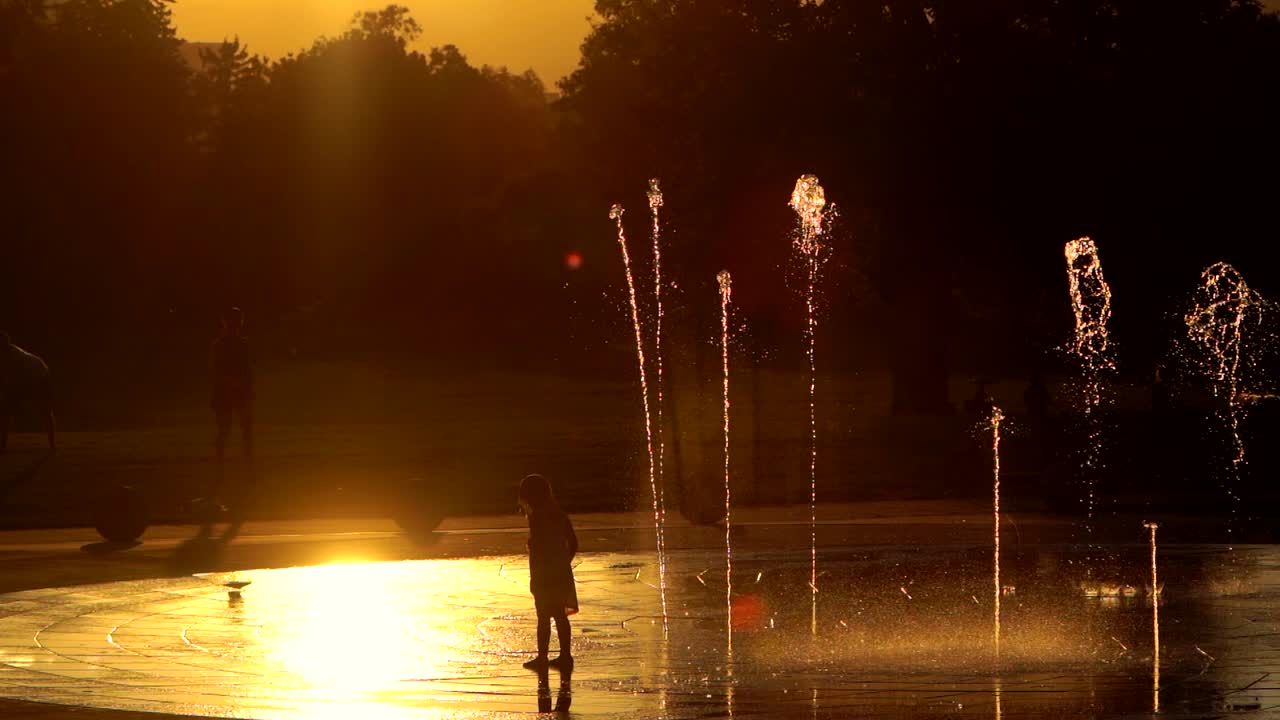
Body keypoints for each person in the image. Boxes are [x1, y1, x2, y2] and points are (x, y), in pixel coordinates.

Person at [518, 473, 578, 669]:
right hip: (560, 571)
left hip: (544, 573)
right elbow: (573, 542)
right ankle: (565, 655)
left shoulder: (537, 517)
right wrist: (563, 563)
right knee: (560, 615)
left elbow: (539, 548)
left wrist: (537, 576)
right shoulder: (560, 515)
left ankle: (542, 657)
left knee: (543, 616)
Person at [210, 308, 253, 507]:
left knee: (235, 430)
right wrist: (237, 384)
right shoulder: (225, 345)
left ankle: (234, 466)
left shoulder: (231, 344)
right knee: (229, 430)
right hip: (228, 392)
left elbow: (246, 369)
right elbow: (218, 371)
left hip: (234, 392)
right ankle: (230, 466)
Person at [0, 331, 56, 453]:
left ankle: (52, 445)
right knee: (4, 410)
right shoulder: (5, 355)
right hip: (27, 377)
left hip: (40, 375)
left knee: (45, 410)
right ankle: (3, 446)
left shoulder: (13, 355)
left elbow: (11, 380)